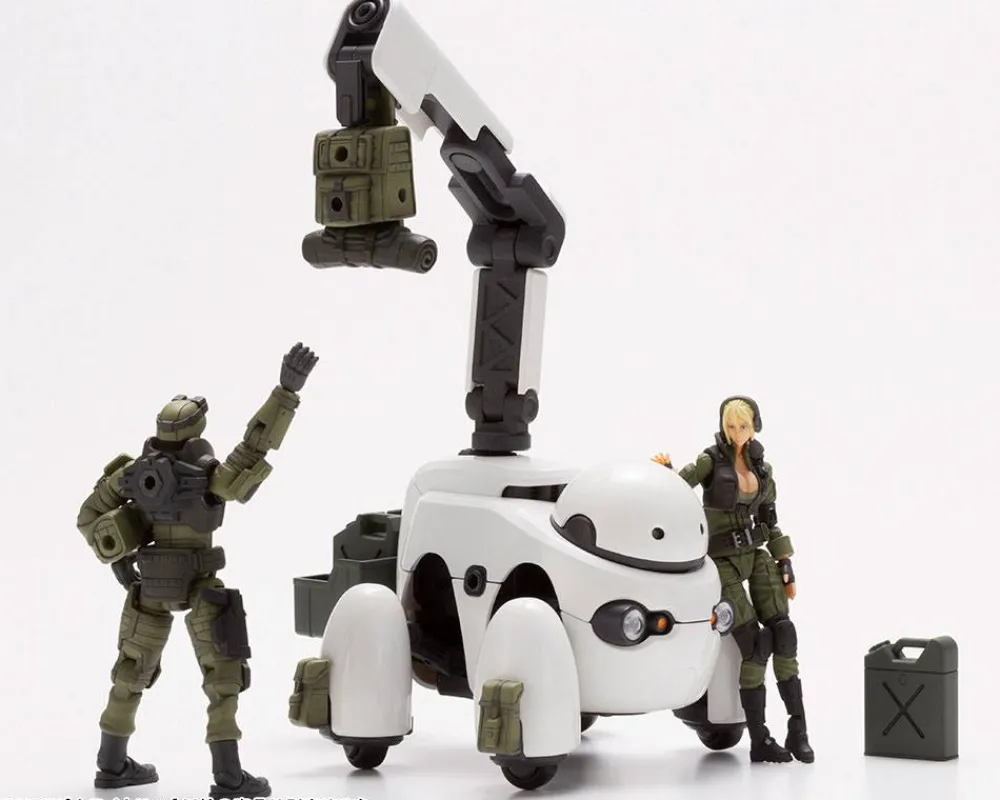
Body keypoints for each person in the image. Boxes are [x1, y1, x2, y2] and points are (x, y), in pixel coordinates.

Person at [76, 343, 318, 797]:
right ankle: (228, 776)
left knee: (130, 672)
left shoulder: (130, 476)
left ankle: (111, 765)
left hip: (150, 586)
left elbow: (88, 517)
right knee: (223, 678)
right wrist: (286, 391)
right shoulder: (206, 477)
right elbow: (254, 447)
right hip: (199, 584)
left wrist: (118, 558)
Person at [652, 396, 813, 764]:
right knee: (754, 644)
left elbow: (770, 520)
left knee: (784, 634)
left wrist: (785, 563)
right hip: (721, 560)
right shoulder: (710, 461)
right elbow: (680, 487)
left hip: (756, 555)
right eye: (730, 425)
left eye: (742, 425)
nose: (736, 432)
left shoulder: (762, 469)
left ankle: (798, 730)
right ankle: (760, 738)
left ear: (754, 426)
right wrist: (666, 472)